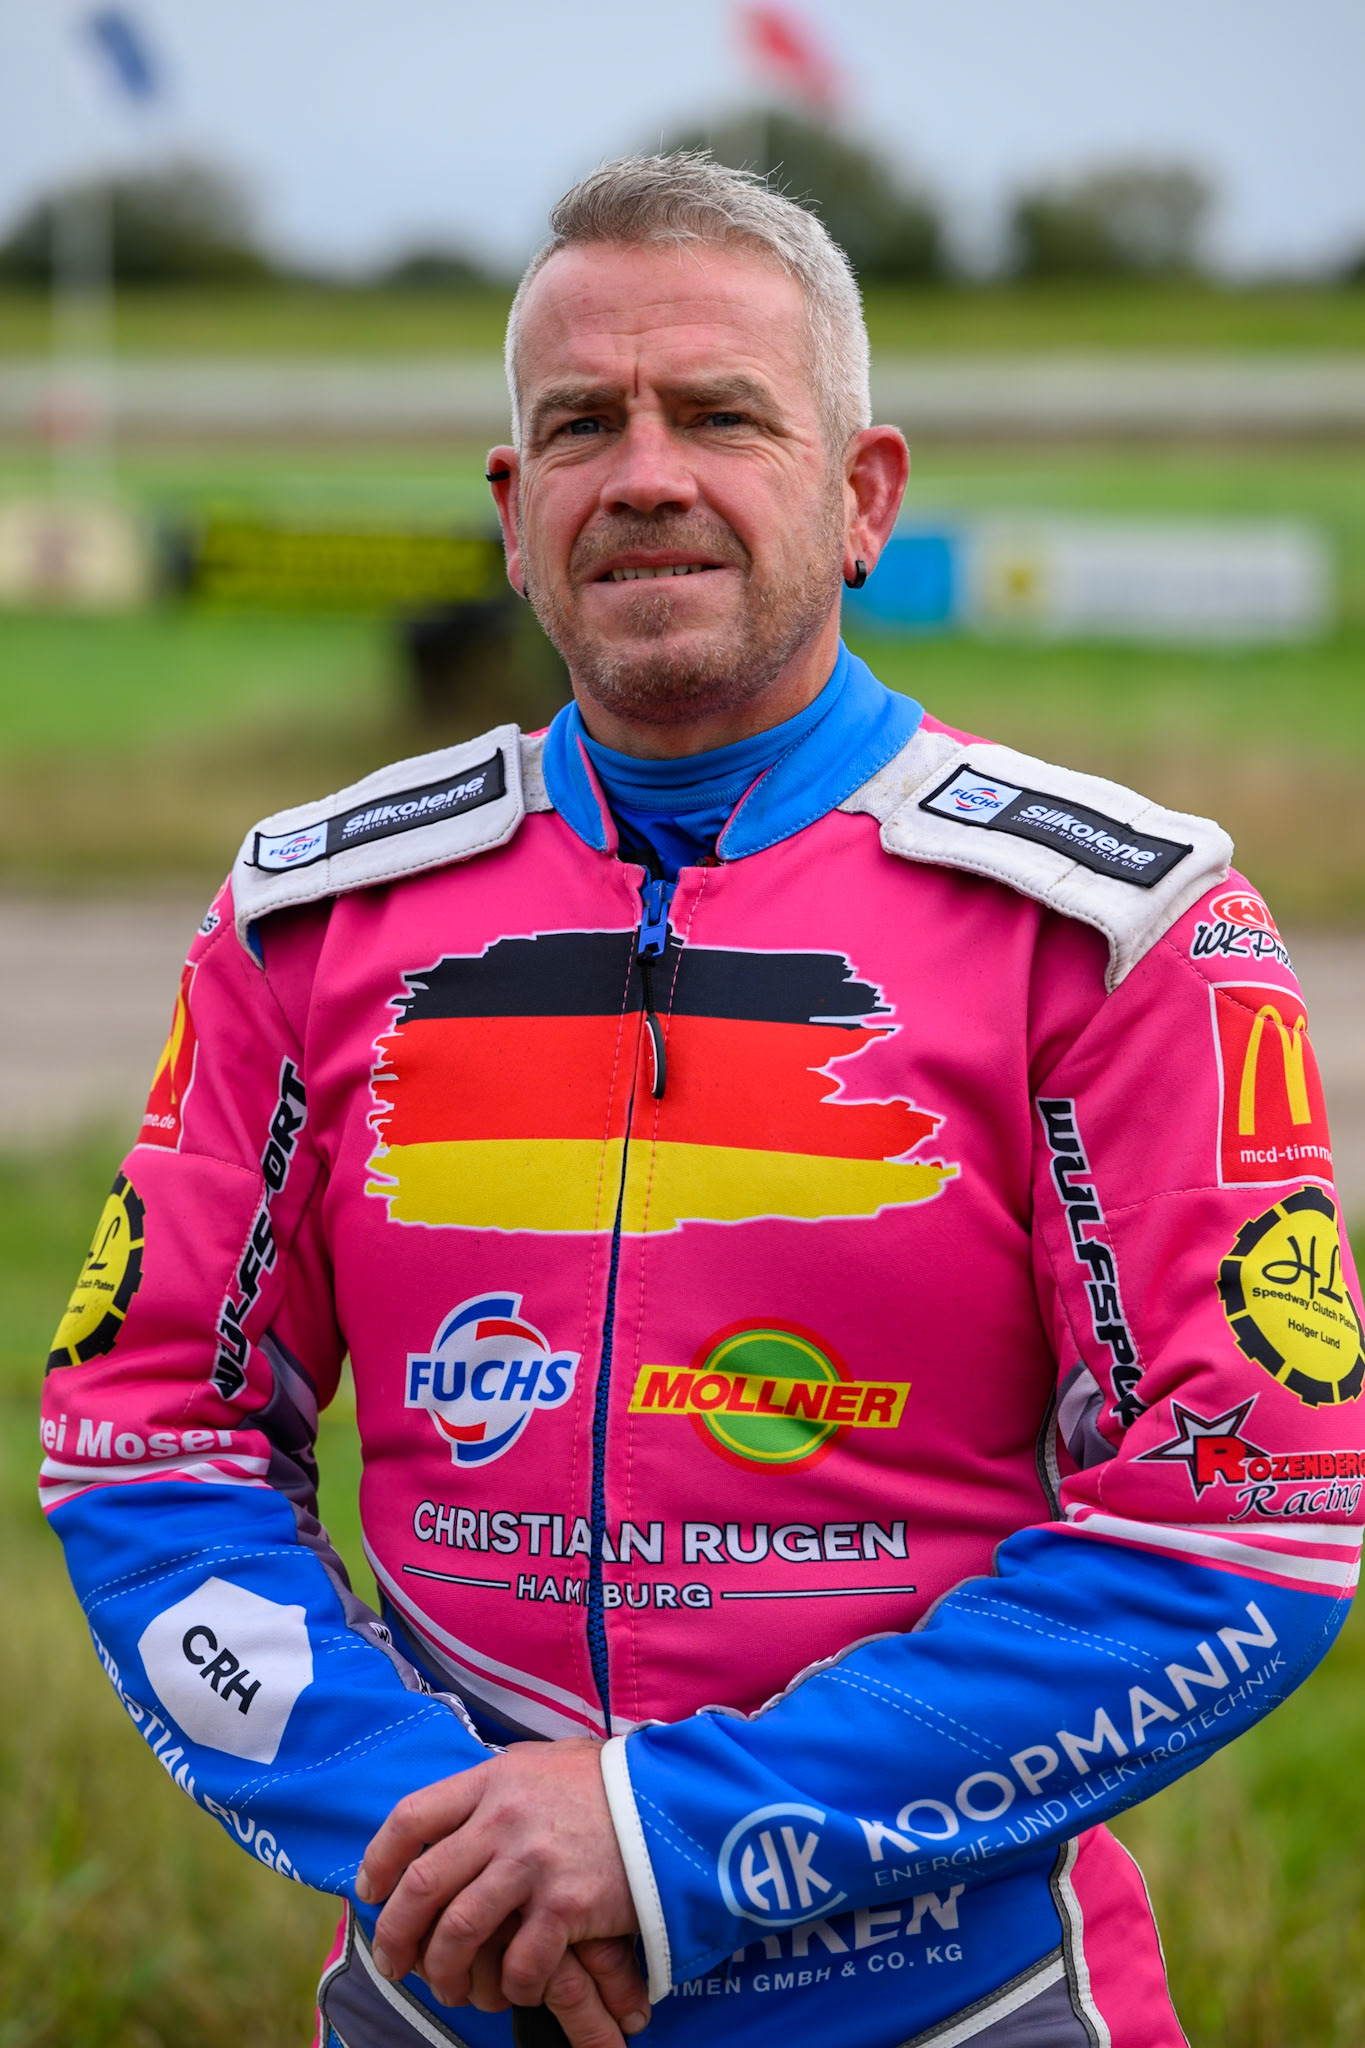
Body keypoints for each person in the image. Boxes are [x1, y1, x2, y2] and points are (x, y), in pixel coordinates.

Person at [41, 153, 1365, 2048]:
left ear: (862, 496)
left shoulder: (1123, 928)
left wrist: (669, 1840)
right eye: (580, 423)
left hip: (959, 2005)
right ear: (514, 515)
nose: (644, 471)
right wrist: (445, 1843)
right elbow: (144, 1438)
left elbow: (1247, 1520)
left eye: (721, 415)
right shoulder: (308, 915)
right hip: (450, 1990)